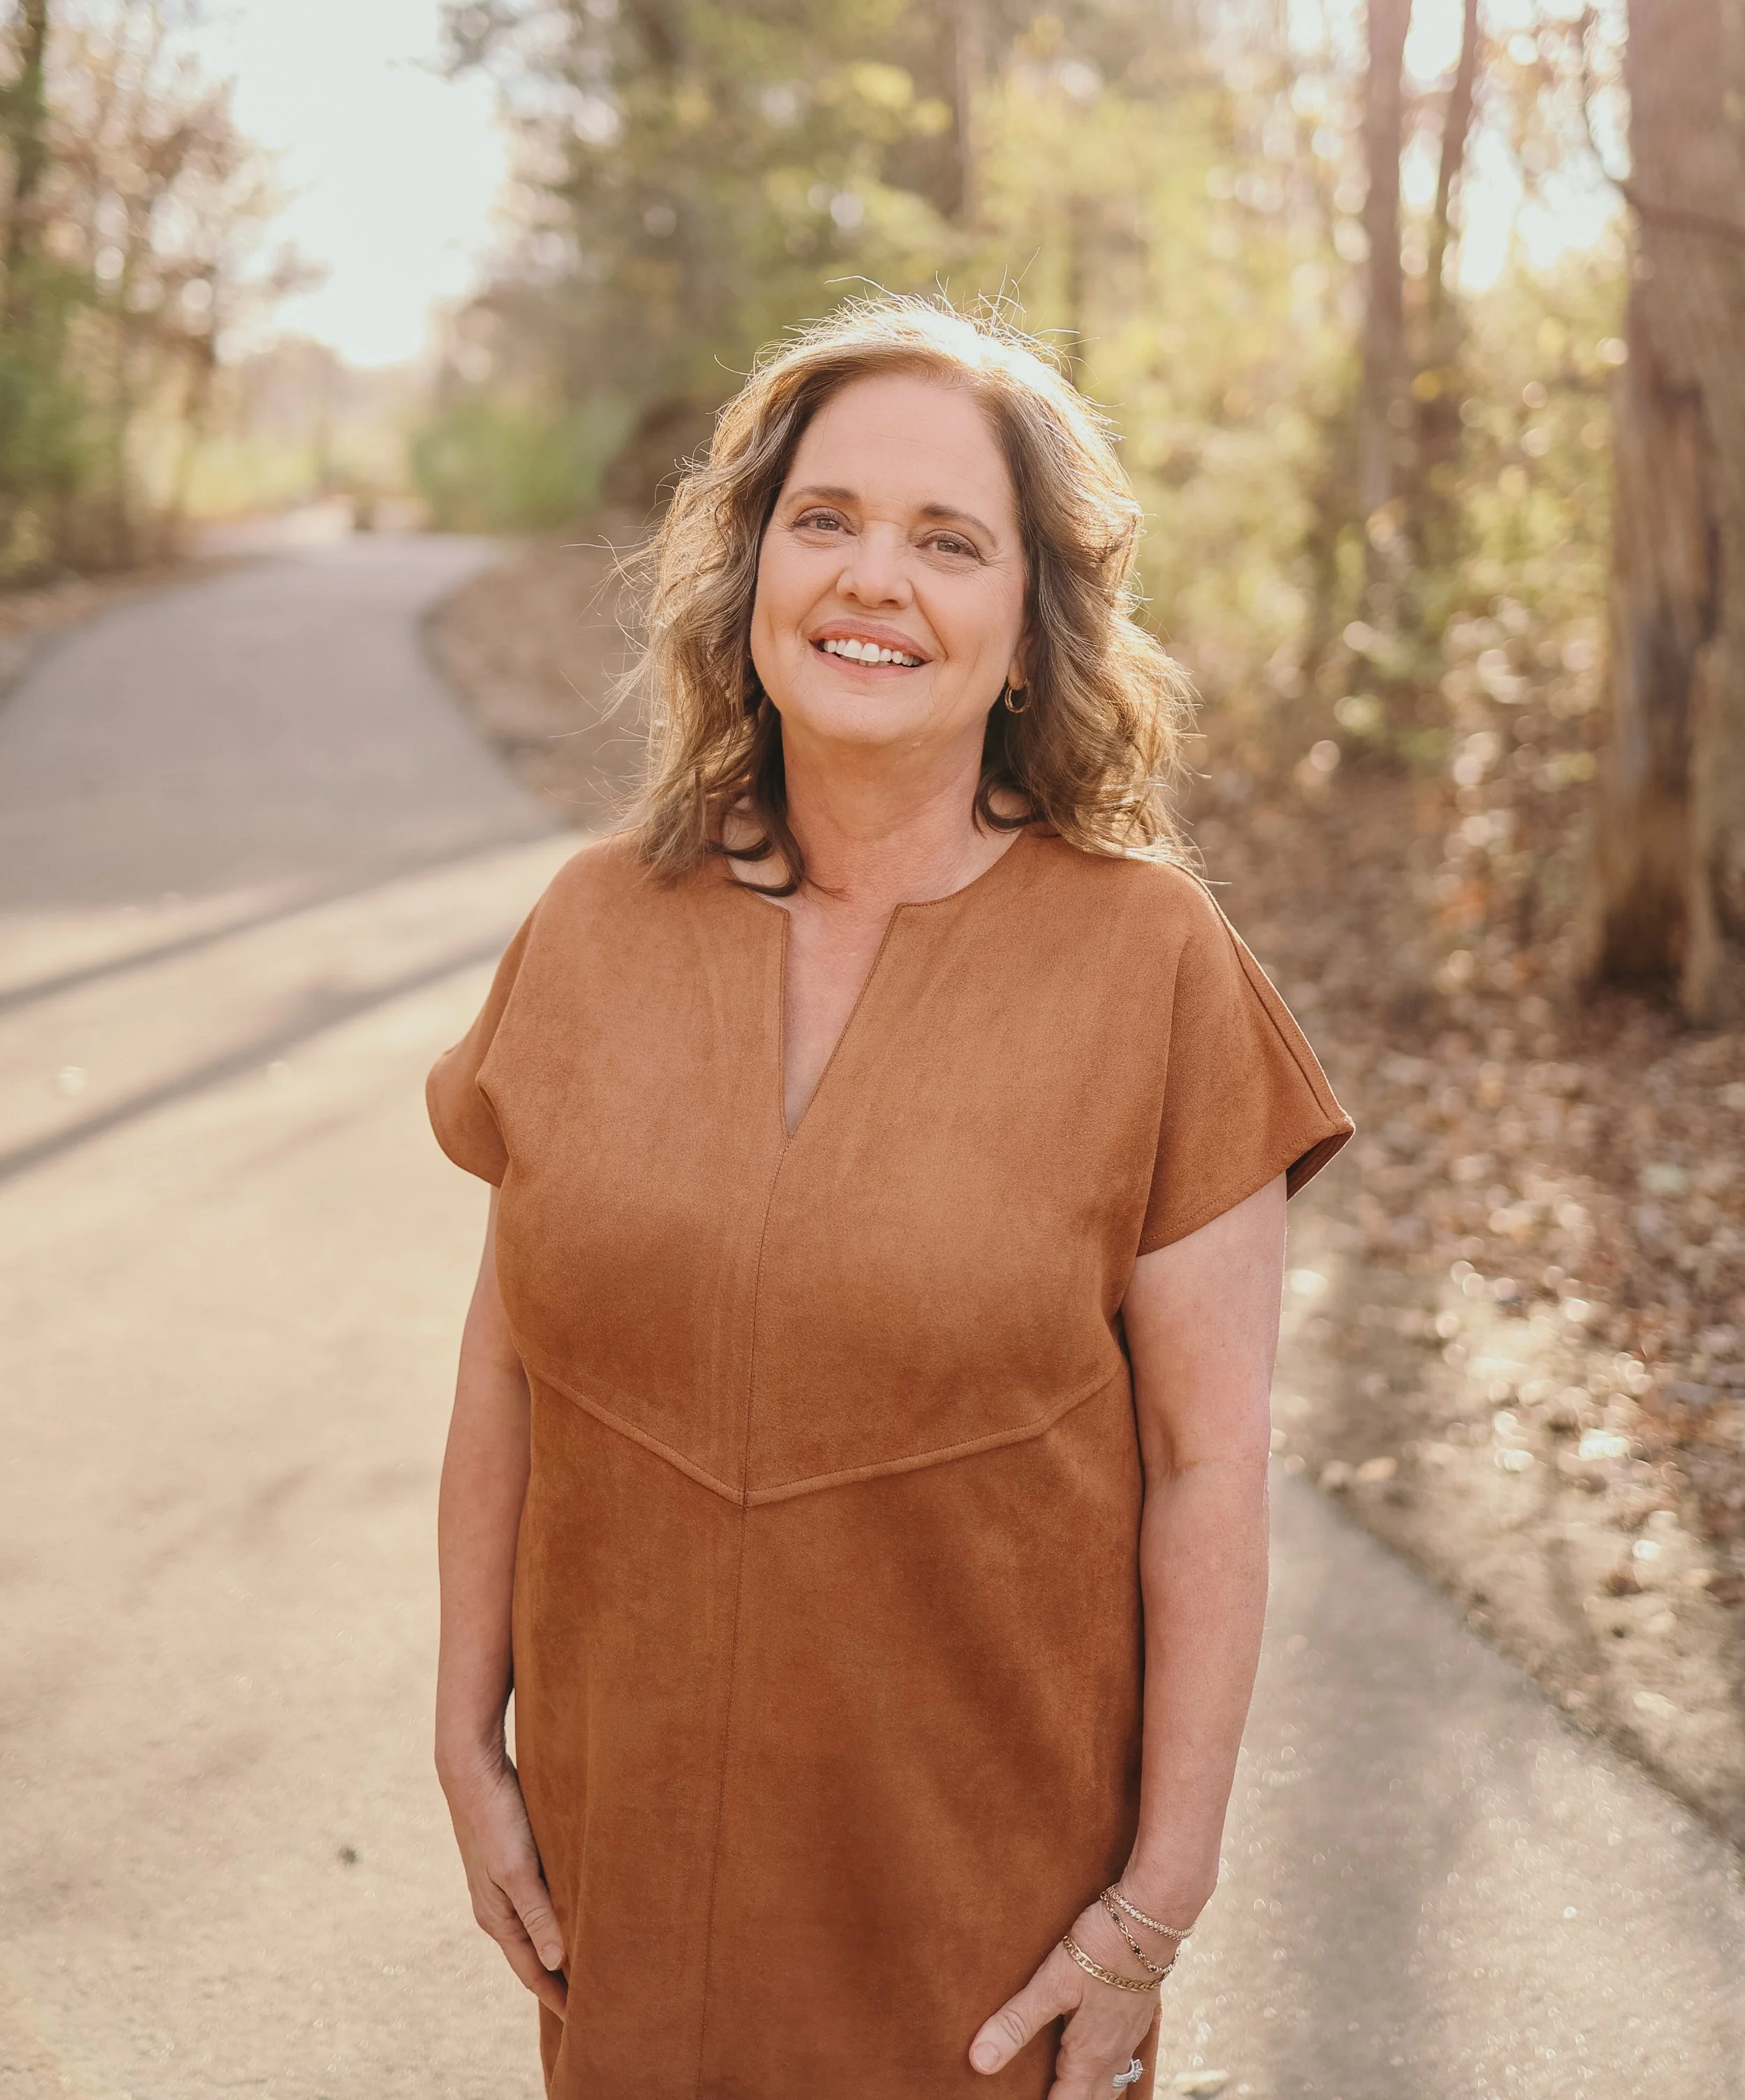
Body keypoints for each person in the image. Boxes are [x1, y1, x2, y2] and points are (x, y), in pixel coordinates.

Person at [426, 296, 1352, 2100]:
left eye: (948, 540)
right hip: (627, 1905)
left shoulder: (1151, 965)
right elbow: (507, 1365)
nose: (872, 578)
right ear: (750, 564)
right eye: (826, 518)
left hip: (980, 1935)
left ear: (1028, 630)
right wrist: (467, 1736)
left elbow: (1201, 1464)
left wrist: (1155, 1904)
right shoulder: (592, 924)